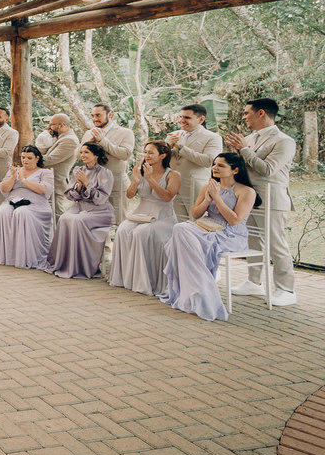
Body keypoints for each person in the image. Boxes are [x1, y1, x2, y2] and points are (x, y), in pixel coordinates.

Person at [159, 153, 259, 322]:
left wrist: (218, 198)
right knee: (181, 229)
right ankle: (197, 290)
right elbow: (196, 214)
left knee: (181, 231)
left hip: (230, 235)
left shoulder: (246, 191)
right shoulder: (208, 187)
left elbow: (235, 220)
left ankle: (200, 290)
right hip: (205, 228)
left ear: (235, 169)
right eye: (214, 164)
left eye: (221, 165)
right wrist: (207, 199)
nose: (215, 168)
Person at [224, 97, 297, 306]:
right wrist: (237, 153)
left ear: (261, 113)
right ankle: (254, 282)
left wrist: (244, 150)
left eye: (247, 112)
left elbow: (267, 170)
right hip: (249, 198)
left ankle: (286, 289)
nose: (244, 117)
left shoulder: (284, 141)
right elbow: (245, 167)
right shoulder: (249, 138)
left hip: (273, 199)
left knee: (276, 245)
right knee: (253, 241)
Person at [109, 141, 179, 295]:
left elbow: (167, 197)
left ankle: (144, 281)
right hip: (142, 212)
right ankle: (126, 279)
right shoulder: (140, 171)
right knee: (122, 230)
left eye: (150, 153)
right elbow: (129, 195)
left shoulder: (173, 175)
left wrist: (151, 179)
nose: (146, 156)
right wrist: (136, 181)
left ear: (162, 155)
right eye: (145, 152)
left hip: (163, 216)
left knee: (140, 233)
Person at [48, 143, 115, 279]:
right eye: (81, 152)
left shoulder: (104, 173)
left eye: (86, 152)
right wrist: (78, 186)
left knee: (78, 221)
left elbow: (101, 198)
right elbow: (71, 195)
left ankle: (81, 266)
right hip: (79, 207)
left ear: (96, 155)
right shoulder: (78, 169)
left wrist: (87, 183)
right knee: (64, 218)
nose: (82, 155)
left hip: (99, 211)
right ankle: (65, 263)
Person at [0, 145, 54, 270]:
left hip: (36, 205)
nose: (25, 160)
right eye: (23, 157)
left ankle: (25, 258)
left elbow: (45, 190)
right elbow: (4, 189)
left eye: (29, 158)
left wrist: (24, 180)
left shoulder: (45, 172)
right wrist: (12, 177)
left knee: (21, 213)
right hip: (13, 201)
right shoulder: (14, 170)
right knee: (3, 211)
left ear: (37, 158)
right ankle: (9, 257)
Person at [166, 104, 223, 223]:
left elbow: (209, 161)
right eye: (181, 116)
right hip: (173, 186)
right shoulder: (173, 135)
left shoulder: (212, 137)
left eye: (187, 117)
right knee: (178, 224)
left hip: (195, 186)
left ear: (201, 119)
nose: (182, 120)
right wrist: (168, 147)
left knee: (199, 223)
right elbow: (162, 160)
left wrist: (181, 148)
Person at [80, 103, 135, 225]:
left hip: (116, 184)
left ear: (110, 114)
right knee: (96, 221)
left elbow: (125, 154)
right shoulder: (88, 133)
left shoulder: (125, 132)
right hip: (93, 185)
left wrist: (103, 141)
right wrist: (87, 144)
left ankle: (120, 244)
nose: (95, 119)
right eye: (93, 115)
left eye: (98, 115)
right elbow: (77, 155)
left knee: (120, 221)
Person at [37, 114, 80, 219]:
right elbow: (44, 153)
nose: (49, 127)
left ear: (61, 125)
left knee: (56, 214)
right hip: (48, 181)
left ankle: (64, 235)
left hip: (56, 182)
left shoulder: (70, 140)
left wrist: (30, 158)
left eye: (52, 124)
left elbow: (50, 160)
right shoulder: (59, 138)